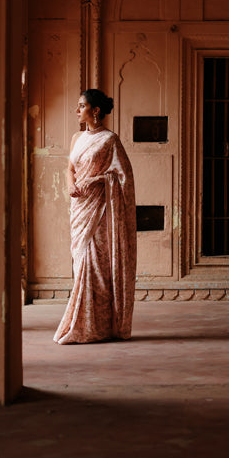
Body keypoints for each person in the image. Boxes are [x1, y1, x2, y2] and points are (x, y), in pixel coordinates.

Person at [54, 89, 137, 344]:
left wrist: (98, 179)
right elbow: (70, 168)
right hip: (80, 208)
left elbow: (124, 178)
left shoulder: (110, 140)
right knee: (80, 264)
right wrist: (70, 184)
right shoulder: (76, 137)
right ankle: (82, 325)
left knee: (97, 267)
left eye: (82, 106)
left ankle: (99, 327)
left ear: (95, 110)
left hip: (100, 210)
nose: (77, 110)